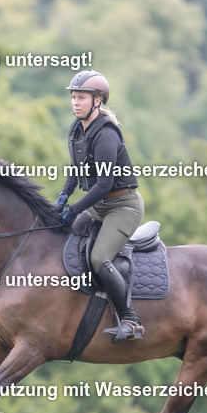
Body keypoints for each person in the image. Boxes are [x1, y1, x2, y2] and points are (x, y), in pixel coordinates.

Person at [56, 70, 146, 342]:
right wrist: (63, 195)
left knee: (98, 258)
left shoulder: (106, 135)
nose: (75, 102)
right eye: (73, 97)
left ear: (97, 101)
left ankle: (131, 320)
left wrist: (74, 209)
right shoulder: (77, 128)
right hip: (99, 205)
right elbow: (76, 168)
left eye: (81, 97)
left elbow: (104, 184)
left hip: (122, 206)